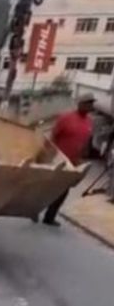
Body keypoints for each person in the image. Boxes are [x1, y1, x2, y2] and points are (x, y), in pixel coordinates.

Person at [40, 92, 96, 225]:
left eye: (92, 103)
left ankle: (49, 217)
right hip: (58, 160)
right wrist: (46, 155)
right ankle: (33, 208)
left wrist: (82, 158)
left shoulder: (89, 122)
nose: (91, 106)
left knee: (63, 191)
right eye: (88, 103)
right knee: (48, 187)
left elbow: (86, 141)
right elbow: (52, 137)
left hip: (73, 163)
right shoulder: (66, 118)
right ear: (80, 104)